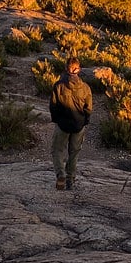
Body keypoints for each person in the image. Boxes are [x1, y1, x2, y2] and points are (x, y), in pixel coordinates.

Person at [49, 56, 93, 190]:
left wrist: (57, 120)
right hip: (78, 125)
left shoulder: (59, 86)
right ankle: (70, 179)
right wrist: (85, 121)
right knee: (74, 153)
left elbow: (53, 106)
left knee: (57, 150)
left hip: (63, 124)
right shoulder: (85, 87)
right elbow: (88, 108)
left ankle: (60, 174)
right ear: (78, 69)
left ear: (66, 68)